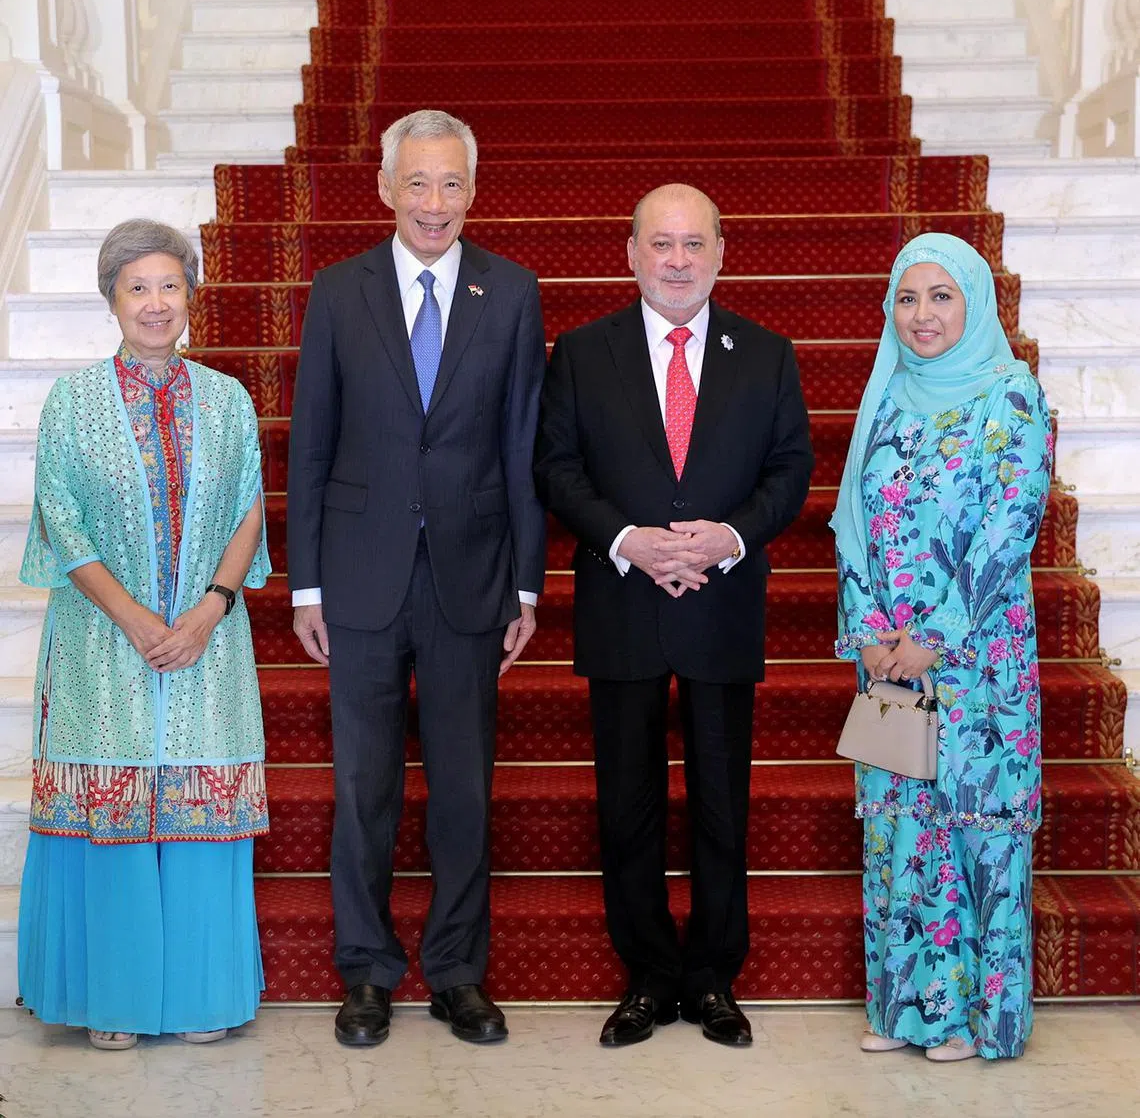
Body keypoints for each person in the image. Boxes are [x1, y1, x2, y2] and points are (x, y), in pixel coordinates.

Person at [287, 109, 546, 1047]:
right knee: (363, 788)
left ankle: (456, 972)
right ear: (386, 188)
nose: (433, 204)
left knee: (464, 789)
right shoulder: (336, 291)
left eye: (451, 184)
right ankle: (365, 972)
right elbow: (311, 442)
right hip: (357, 582)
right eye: (417, 183)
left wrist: (526, 583)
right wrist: (305, 585)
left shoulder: (511, 292)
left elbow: (522, 443)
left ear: (473, 191)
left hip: (471, 581)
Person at [534, 184, 814, 1047]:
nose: (679, 260)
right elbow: (557, 467)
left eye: (695, 244)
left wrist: (725, 537)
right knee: (629, 807)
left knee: (723, 806)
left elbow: (790, 469)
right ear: (631, 253)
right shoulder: (582, 353)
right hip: (623, 602)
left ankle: (714, 977)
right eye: (663, 244)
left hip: (723, 606)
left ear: (722, 253)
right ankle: (649, 975)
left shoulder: (766, 354)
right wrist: (630, 540)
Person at [17, 219, 271, 1050]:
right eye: (138, 288)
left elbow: (247, 512)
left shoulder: (228, 400)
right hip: (101, 639)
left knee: (198, 809)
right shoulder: (72, 401)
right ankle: (112, 997)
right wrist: (133, 617)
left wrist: (208, 609)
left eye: (169, 286)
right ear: (112, 300)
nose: (156, 304)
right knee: (113, 811)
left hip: (208, 639)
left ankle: (201, 993)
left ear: (191, 296)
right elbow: (61, 519)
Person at [831, 232, 1052, 1061]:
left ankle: (972, 1019)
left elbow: (1008, 531)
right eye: (908, 298)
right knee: (900, 829)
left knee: (974, 829)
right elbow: (853, 526)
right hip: (887, 658)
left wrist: (933, 636)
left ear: (975, 303)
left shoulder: (1011, 396)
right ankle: (905, 1010)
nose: (922, 316)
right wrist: (870, 630)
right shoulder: (888, 394)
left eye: (941, 297)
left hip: (977, 661)